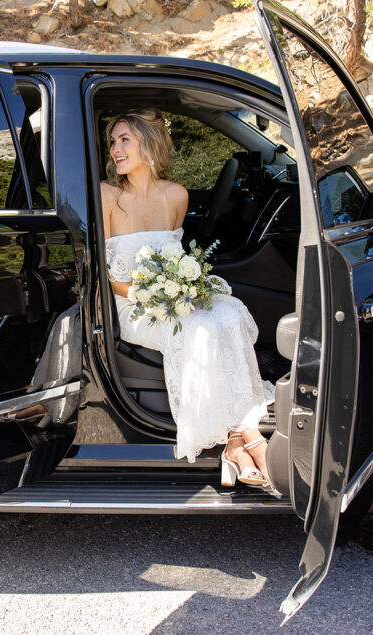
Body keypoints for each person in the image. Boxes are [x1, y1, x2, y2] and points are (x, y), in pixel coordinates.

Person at [101, 108, 274, 488]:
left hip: (170, 300)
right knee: (198, 328)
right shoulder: (108, 196)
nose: (115, 148)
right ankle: (251, 439)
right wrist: (148, 294)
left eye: (124, 139)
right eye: (112, 141)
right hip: (130, 303)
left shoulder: (176, 195)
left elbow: (176, 260)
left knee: (228, 314)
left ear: (149, 143)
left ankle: (234, 442)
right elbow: (102, 273)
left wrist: (179, 289)